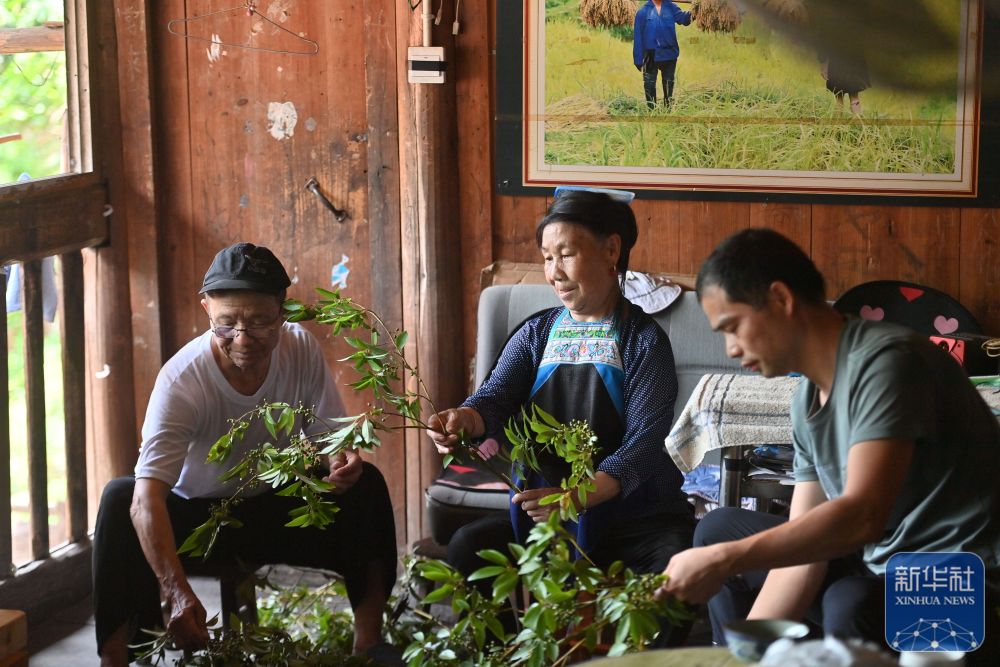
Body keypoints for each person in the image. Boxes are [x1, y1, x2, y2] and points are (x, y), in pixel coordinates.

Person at [657, 229, 1000, 663]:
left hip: (962, 581)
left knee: (849, 601)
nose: (731, 348)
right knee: (716, 531)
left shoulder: (889, 363)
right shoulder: (807, 401)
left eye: (733, 327)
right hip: (881, 563)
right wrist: (741, 658)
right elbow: (805, 558)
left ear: (780, 299)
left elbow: (862, 516)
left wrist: (727, 560)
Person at [92, 243, 397, 666]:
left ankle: (369, 646)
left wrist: (340, 460)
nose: (242, 338)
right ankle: (116, 659)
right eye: (226, 324)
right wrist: (176, 591)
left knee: (368, 486)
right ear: (206, 310)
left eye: (258, 323)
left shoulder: (301, 349)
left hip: (274, 507)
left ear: (282, 312)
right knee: (119, 500)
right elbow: (147, 500)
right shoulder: (182, 380)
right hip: (198, 520)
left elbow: (328, 437)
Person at [427, 187, 695, 639]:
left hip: (632, 517)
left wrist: (580, 495)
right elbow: (495, 398)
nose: (554, 272)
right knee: (468, 547)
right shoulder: (537, 333)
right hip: (545, 518)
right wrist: (464, 419)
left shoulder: (644, 341)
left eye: (566, 254)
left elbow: (645, 443)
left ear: (611, 250)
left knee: (675, 566)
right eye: (547, 258)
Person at [633, 0, 692, 109]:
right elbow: (638, 37)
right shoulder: (643, 12)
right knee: (649, 84)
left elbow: (684, 19)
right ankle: (652, 110)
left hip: (669, 53)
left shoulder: (671, 7)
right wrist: (638, 59)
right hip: (650, 54)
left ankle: (668, 109)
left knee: (669, 82)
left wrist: (698, 8)